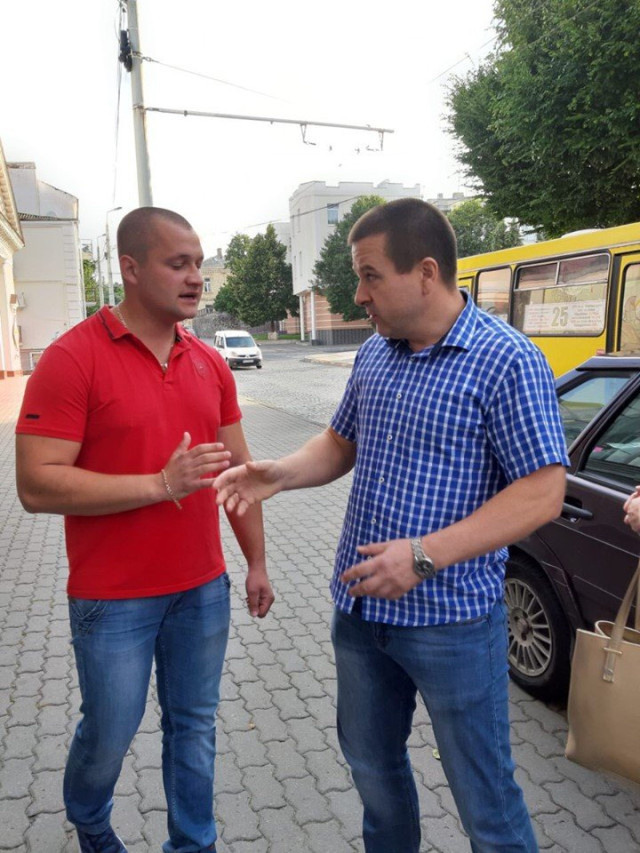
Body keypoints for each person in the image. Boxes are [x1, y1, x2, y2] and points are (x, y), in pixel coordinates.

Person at [214, 198, 569, 853]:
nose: (359, 295)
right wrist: (279, 473)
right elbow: (340, 441)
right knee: (374, 774)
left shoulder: (507, 360)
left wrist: (424, 554)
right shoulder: (376, 353)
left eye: (370, 276)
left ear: (426, 272)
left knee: (487, 806)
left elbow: (543, 492)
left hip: (453, 624)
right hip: (360, 614)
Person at [15, 207, 274, 853]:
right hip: (113, 598)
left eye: (198, 264)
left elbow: (239, 474)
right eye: (177, 264)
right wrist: (160, 484)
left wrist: (257, 562)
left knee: (194, 726)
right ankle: (91, 822)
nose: (196, 278)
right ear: (130, 269)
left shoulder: (209, 363)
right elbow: (36, 485)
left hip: (202, 588)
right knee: (109, 732)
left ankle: (193, 843)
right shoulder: (72, 358)